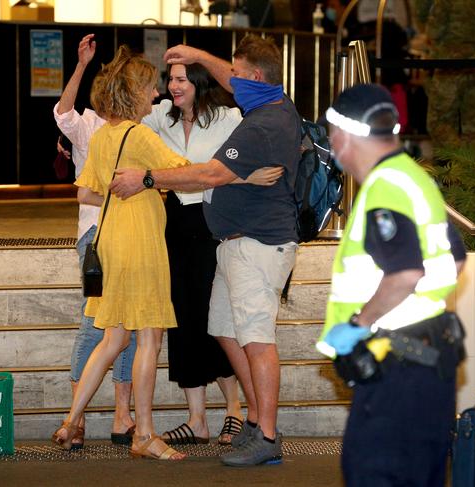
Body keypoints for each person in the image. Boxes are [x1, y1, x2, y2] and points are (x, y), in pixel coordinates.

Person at [110, 34, 300, 467]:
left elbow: (210, 174)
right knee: (224, 329)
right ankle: (255, 421)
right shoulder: (270, 101)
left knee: (256, 338)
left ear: (254, 78)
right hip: (233, 244)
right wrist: (196, 56)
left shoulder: (261, 125)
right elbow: (235, 81)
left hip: (259, 245)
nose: (228, 78)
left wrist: (147, 178)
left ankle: (267, 435)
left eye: (237, 71)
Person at [317, 83, 467, 486]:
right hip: (429, 355)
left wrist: (357, 326)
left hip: (397, 360)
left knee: (376, 472)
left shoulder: (384, 188)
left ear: (343, 137)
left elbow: (404, 273)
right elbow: (454, 257)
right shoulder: (415, 180)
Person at [141, 63, 245, 446]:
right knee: (182, 317)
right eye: (170, 79)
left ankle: (234, 409)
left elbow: (234, 169)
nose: (173, 86)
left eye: (181, 79)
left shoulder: (227, 118)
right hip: (172, 224)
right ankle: (197, 419)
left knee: (213, 317)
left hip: (211, 223)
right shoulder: (160, 118)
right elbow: (120, 115)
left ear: (199, 82)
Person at [52, 33, 136, 449]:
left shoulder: (141, 124)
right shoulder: (88, 125)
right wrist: (82, 64)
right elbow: (62, 113)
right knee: (95, 319)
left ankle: (123, 414)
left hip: (133, 233)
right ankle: (77, 414)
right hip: (96, 234)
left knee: (129, 323)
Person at [413, 0, 475, 151]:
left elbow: (434, 31)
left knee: (439, 122)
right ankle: (474, 170)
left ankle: (457, 158)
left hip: (448, 65)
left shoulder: (446, 2)